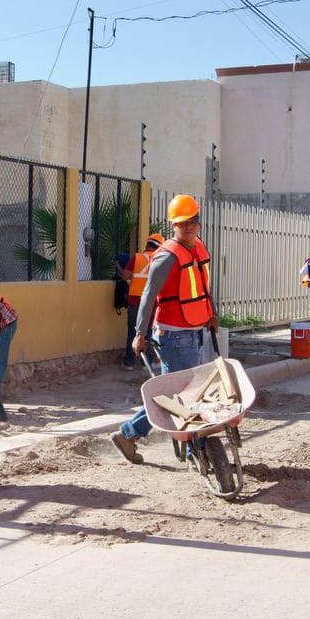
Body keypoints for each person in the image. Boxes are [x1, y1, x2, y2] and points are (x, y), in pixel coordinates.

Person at [110, 195, 218, 464]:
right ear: (174, 225)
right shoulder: (167, 256)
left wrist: (212, 313)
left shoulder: (198, 249)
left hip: (194, 330)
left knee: (174, 395)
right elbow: (148, 295)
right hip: (173, 334)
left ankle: (128, 434)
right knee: (187, 394)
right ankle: (196, 449)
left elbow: (203, 287)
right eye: (183, 223)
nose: (189, 227)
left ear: (199, 223)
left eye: (193, 221)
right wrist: (139, 333)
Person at [117, 233, 165, 370]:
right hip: (153, 301)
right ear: (159, 247)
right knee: (149, 331)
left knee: (133, 330)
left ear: (147, 245)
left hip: (135, 299)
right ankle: (147, 362)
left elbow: (125, 276)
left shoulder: (137, 257)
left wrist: (119, 268)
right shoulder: (159, 259)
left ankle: (129, 363)